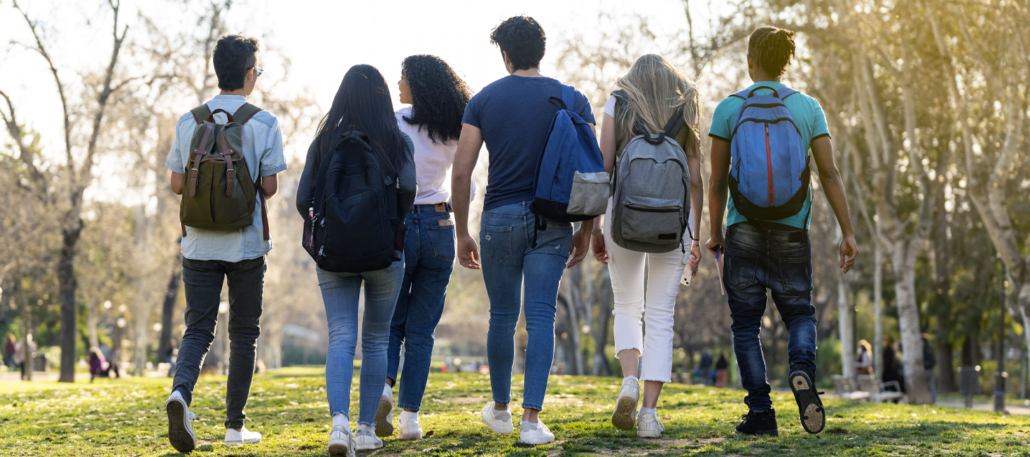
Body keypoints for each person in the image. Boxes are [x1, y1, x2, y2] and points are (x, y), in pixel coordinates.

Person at [706, 25, 858, 437]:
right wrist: (847, 231)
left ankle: (760, 413)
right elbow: (829, 172)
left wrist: (714, 232)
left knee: (745, 326)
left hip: (744, 230)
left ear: (750, 61)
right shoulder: (808, 108)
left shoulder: (728, 109)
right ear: (787, 63)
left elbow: (717, 182)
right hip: (792, 231)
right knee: (799, 313)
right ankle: (801, 369)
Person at [451, 16, 594, 446]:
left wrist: (462, 231)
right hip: (553, 221)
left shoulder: (484, 100)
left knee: (501, 316)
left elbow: (461, 173)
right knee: (541, 316)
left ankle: (500, 409)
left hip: (498, 219)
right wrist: (588, 228)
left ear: (506, 55)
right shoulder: (573, 98)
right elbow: (592, 171)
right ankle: (532, 421)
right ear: (542, 51)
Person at [163, 34, 286, 453]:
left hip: (198, 244)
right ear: (250, 74)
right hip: (246, 245)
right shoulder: (264, 122)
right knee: (244, 333)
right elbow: (268, 188)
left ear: (219, 72)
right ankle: (235, 427)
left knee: (198, 328)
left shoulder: (188, 120)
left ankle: (180, 394)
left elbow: (178, 183)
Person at [296, 64, 417, 455]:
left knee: (341, 337)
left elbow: (302, 201)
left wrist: (327, 228)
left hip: (334, 254)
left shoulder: (324, 140)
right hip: (385, 254)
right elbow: (410, 187)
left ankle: (338, 425)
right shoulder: (396, 140)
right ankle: (366, 430)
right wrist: (390, 223)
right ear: (383, 98)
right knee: (377, 338)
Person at [587, 54, 702, 438]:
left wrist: (595, 227)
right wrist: (696, 236)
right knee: (660, 316)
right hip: (674, 223)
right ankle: (649, 417)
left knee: (627, 306)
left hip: (624, 218)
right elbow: (697, 178)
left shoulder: (618, 102)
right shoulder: (685, 102)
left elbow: (604, 168)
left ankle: (630, 381)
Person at [379, 55, 473, 442]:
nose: (398, 83)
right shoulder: (455, 126)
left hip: (399, 226)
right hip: (439, 226)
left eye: (402, 77)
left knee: (390, 323)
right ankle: (410, 419)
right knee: (422, 332)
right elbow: (465, 175)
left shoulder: (395, 121)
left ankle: (382, 390)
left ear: (416, 83)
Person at [922, 335, 937, 403]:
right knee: (932, 386)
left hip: (925, 370)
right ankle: (933, 400)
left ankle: (925, 400)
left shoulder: (923, 348)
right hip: (931, 369)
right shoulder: (930, 348)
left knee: (924, 386)